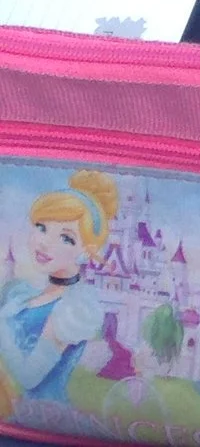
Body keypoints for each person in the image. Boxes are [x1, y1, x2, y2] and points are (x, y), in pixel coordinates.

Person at [0, 172, 114, 419]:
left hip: (43, 415)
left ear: (87, 251)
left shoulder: (72, 309)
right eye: (42, 227)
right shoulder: (25, 296)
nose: (44, 243)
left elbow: (29, 377)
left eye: (66, 238)